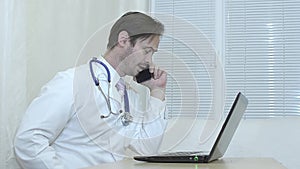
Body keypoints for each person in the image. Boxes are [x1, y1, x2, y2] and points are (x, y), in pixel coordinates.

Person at [14, 11, 168, 169]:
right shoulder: (71, 82)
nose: (150, 61)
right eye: (147, 50)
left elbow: (146, 149)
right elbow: (28, 140)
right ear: (124, 40)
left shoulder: (128, 94)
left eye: (152, 53)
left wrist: (157, 92)